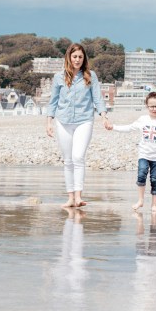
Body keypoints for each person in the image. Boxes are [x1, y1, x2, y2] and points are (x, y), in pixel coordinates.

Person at [45, 43, 111, 208]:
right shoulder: (59, 77)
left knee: (78, 157)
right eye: (74, 56)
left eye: (80, 57)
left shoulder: (90, 75)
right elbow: (53, 101)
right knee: (68, 160)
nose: (77, 60)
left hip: (84, 120)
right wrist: (49, 121)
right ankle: (71, 198)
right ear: (69, 57)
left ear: (84, 58)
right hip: (63, 121)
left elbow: (98, 98)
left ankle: (79, 197)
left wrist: (104, 117)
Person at [107, 91, 156, 212]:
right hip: (144, 154)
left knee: (155, 179)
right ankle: (140, 200)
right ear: (147, 106)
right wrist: (114, 127)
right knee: (141, 174)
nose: (155, 109)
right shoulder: (143, 119)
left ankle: (154, 204)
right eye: (151, 106)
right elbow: (129, 128)